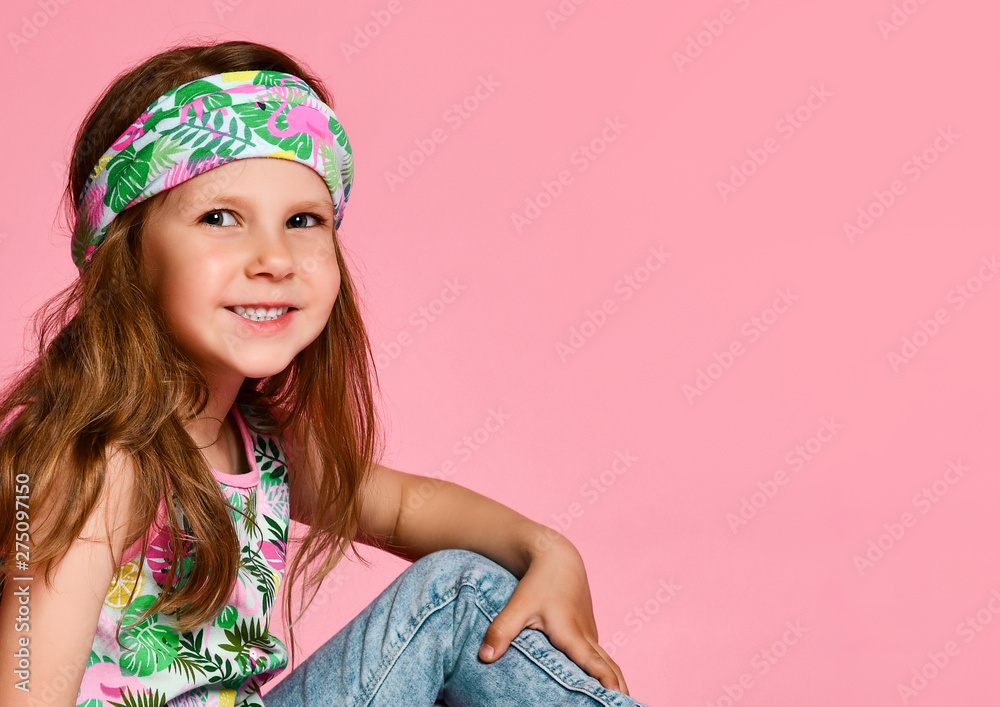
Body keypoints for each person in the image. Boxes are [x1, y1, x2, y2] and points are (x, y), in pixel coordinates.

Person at [0, 40, 650, 707]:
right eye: (221, 218)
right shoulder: (98, 464)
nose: (275, 258)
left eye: (302, 220)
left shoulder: (259, 446)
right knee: (455, 596)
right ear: (128, 254)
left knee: (464, 581)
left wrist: (549, 550)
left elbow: (400, 507)